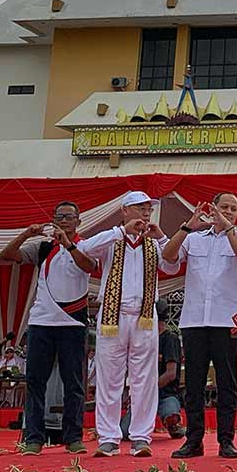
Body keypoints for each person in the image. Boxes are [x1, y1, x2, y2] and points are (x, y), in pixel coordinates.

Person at [79, 191, 180, 457]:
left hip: (145, 316)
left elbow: (172, 266)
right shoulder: (112, 238)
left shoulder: (153, 243)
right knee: (109, 377)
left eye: (148, 209)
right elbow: (84, 248)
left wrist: (161, 237)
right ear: (125, 211)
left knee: (144, 379)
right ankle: (109, 437)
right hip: (113, 314)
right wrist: (121, 231)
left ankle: (141, 437)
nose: (146, 214)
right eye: (140, 208)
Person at [1, 200, 98, 455]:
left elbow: (89, 266)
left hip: (73, 323)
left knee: (74, 382)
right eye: (59, 216)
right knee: (35, 381)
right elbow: (8, 255)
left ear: (79, 221)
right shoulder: (42, 247)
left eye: (69, 217)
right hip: (41, 322)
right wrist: (25, 234)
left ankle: (73, 437)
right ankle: (34, 438)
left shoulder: (86, 244)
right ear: (53, 220)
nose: (64, 220)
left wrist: (68, 243)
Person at [164, 192, 237, 459]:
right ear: (212, 208)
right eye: (224, 207)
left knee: (226, 383)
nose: (229, 211)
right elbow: (169, 256)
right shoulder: (193, 238)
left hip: (226, 320)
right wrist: (187, 226)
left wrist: (228, 228)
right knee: (193, 384)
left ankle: (226, 440)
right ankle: (194, 440)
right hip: (194, 320)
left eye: (234, 209)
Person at [120, 298, 186, 441]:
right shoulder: (143, 338)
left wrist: (148, 389)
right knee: (125, 433)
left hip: (165, 394)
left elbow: (171, 374)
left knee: (170, 413)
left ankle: (173, 422)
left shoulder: (170, 338)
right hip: (142, 396)